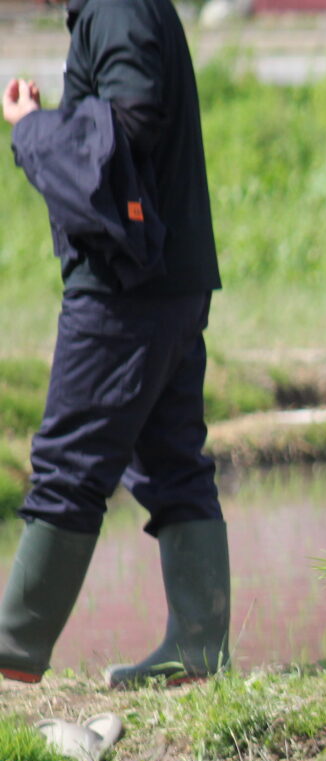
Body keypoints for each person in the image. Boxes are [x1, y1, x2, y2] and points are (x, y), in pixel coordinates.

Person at [1, 0, 227, 688]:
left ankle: (13, 648)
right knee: (171, 458)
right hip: (170, 278)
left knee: (71, 460)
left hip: (127, 284)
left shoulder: (114, 7)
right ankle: (197, 651)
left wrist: (34, 128)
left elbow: (134, 118)